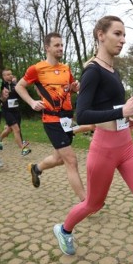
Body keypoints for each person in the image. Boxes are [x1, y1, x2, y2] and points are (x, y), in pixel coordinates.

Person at [52, 16, 133, 264]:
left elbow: (108, 106)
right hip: (104, 150)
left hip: (126, 148)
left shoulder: (113, 70)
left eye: (123, 35)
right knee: (94, 204)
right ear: (100, 35)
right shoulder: (92, 71)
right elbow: (82, 115)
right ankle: (64, 229)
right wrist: (122, 109)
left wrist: (126, 117)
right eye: (117, 34)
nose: (122, 39)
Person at [15, 32, 85, 201]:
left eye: (61, 45)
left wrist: (76, 87)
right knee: (71, 160)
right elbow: (19, 86)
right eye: (57, 45)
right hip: (51, 120)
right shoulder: (37, 69)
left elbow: (72, 89)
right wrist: (32, 102)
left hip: (67, 118)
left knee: (59, 159)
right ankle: (87, 202)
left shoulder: (66, 69)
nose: (61, 48)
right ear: (47, 48)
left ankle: (36, 168)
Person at [0, 69, 31, 156]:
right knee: (16, 129)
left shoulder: (15, 85)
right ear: (4, 76)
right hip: (7, 111)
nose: (10, 76)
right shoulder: (1, 85)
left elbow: (21, 94)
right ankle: (23, 149)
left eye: (11, 74)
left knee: (9, 130)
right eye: (8, 74)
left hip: (16, 110)